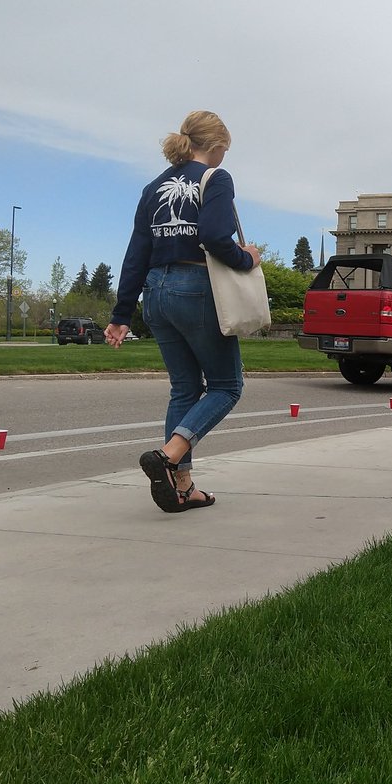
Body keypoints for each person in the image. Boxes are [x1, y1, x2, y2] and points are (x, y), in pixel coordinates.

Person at [105, 111, 261, 513]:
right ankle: (168, 455)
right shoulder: (216, 178)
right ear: (216, 146)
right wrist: (245, 260)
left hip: (154, 295)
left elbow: (136, 252)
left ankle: (182, 488)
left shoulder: (153, 187)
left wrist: (122, 314)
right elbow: (213, 236)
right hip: (196, 288)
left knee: (185, 389)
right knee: (227, 385)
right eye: (226, 149)